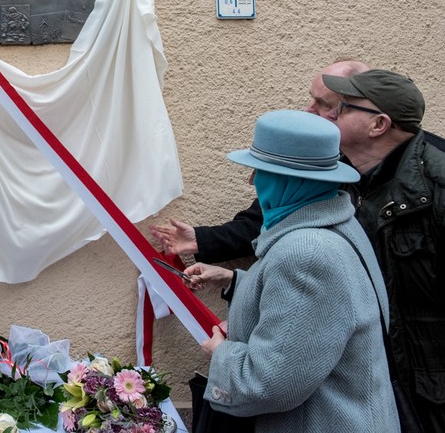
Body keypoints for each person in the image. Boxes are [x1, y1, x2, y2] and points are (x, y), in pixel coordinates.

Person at [186, 110, 399, 432]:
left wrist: (222, 355)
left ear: (288, 179)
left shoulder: (307, 252)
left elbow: (269, 385)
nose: (252, 181)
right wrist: (233, 280)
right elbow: (322, 313)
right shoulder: (336, 224)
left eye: (261, 171)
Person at [149, 59, 370, 261]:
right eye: (312, 98)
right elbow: (266, 220)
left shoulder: (306, 252)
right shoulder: (320, 159)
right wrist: (202, 240)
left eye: (324, 103)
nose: (309, 110)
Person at [323, 69, 444, 432]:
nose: (330, 114)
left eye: (343, 107)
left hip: (432, 392)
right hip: (374, 382)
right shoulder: (340, 178)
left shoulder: (437, 186)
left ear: (378, 124)